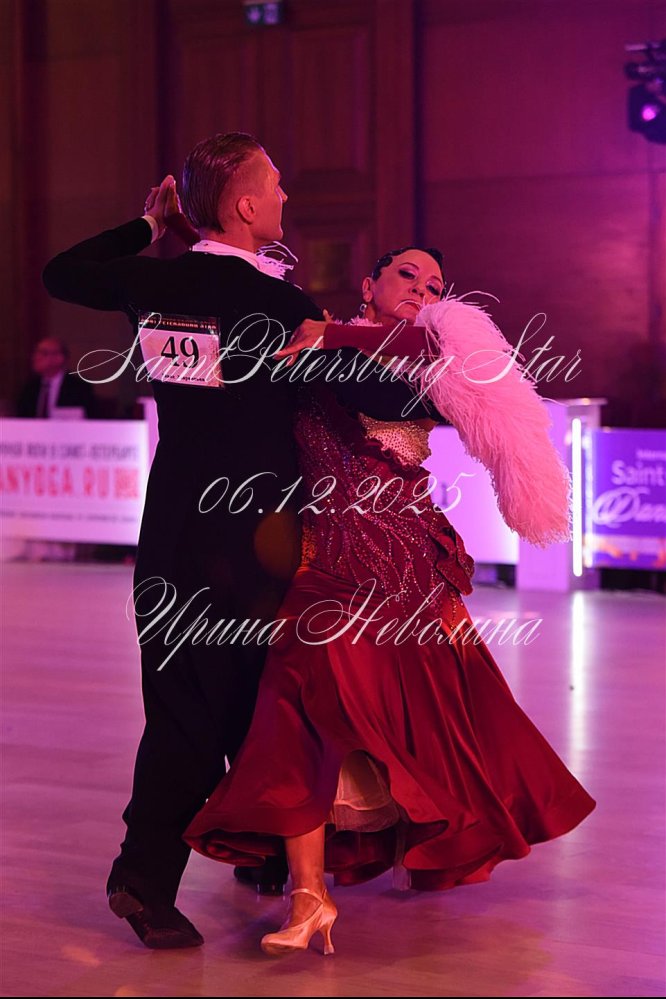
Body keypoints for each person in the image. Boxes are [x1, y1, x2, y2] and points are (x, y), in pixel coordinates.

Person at [41, 133, 444, 950]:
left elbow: (63, 273)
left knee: (192, 699)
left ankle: (252, 855)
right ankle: (144, 876)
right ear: (248, 205)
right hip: (251, 536)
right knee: (233, 707)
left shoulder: (155, 279)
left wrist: (145, 227)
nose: (287, 197)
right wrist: (441, 370)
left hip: (170, 525)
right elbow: (383, 394)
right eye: (278, 185)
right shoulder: (279, 306)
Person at [182, 246, 597, 957]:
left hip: (401, 567)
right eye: (407, 275)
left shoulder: (428, 365)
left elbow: (374, 392)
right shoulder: (316, 342)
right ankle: (308, 895)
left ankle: (365, 860)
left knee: (430, 724)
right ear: (368, 282)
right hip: (324, 561)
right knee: (293, 704)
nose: (421, 290)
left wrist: (326, 336)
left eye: (435, 285)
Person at [16, 336, 97, 418]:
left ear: (59, 358)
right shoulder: (30, 387)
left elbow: (89, 418)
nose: (36, 357)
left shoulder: (79, 387)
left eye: (43, 353)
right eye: (36, 353)